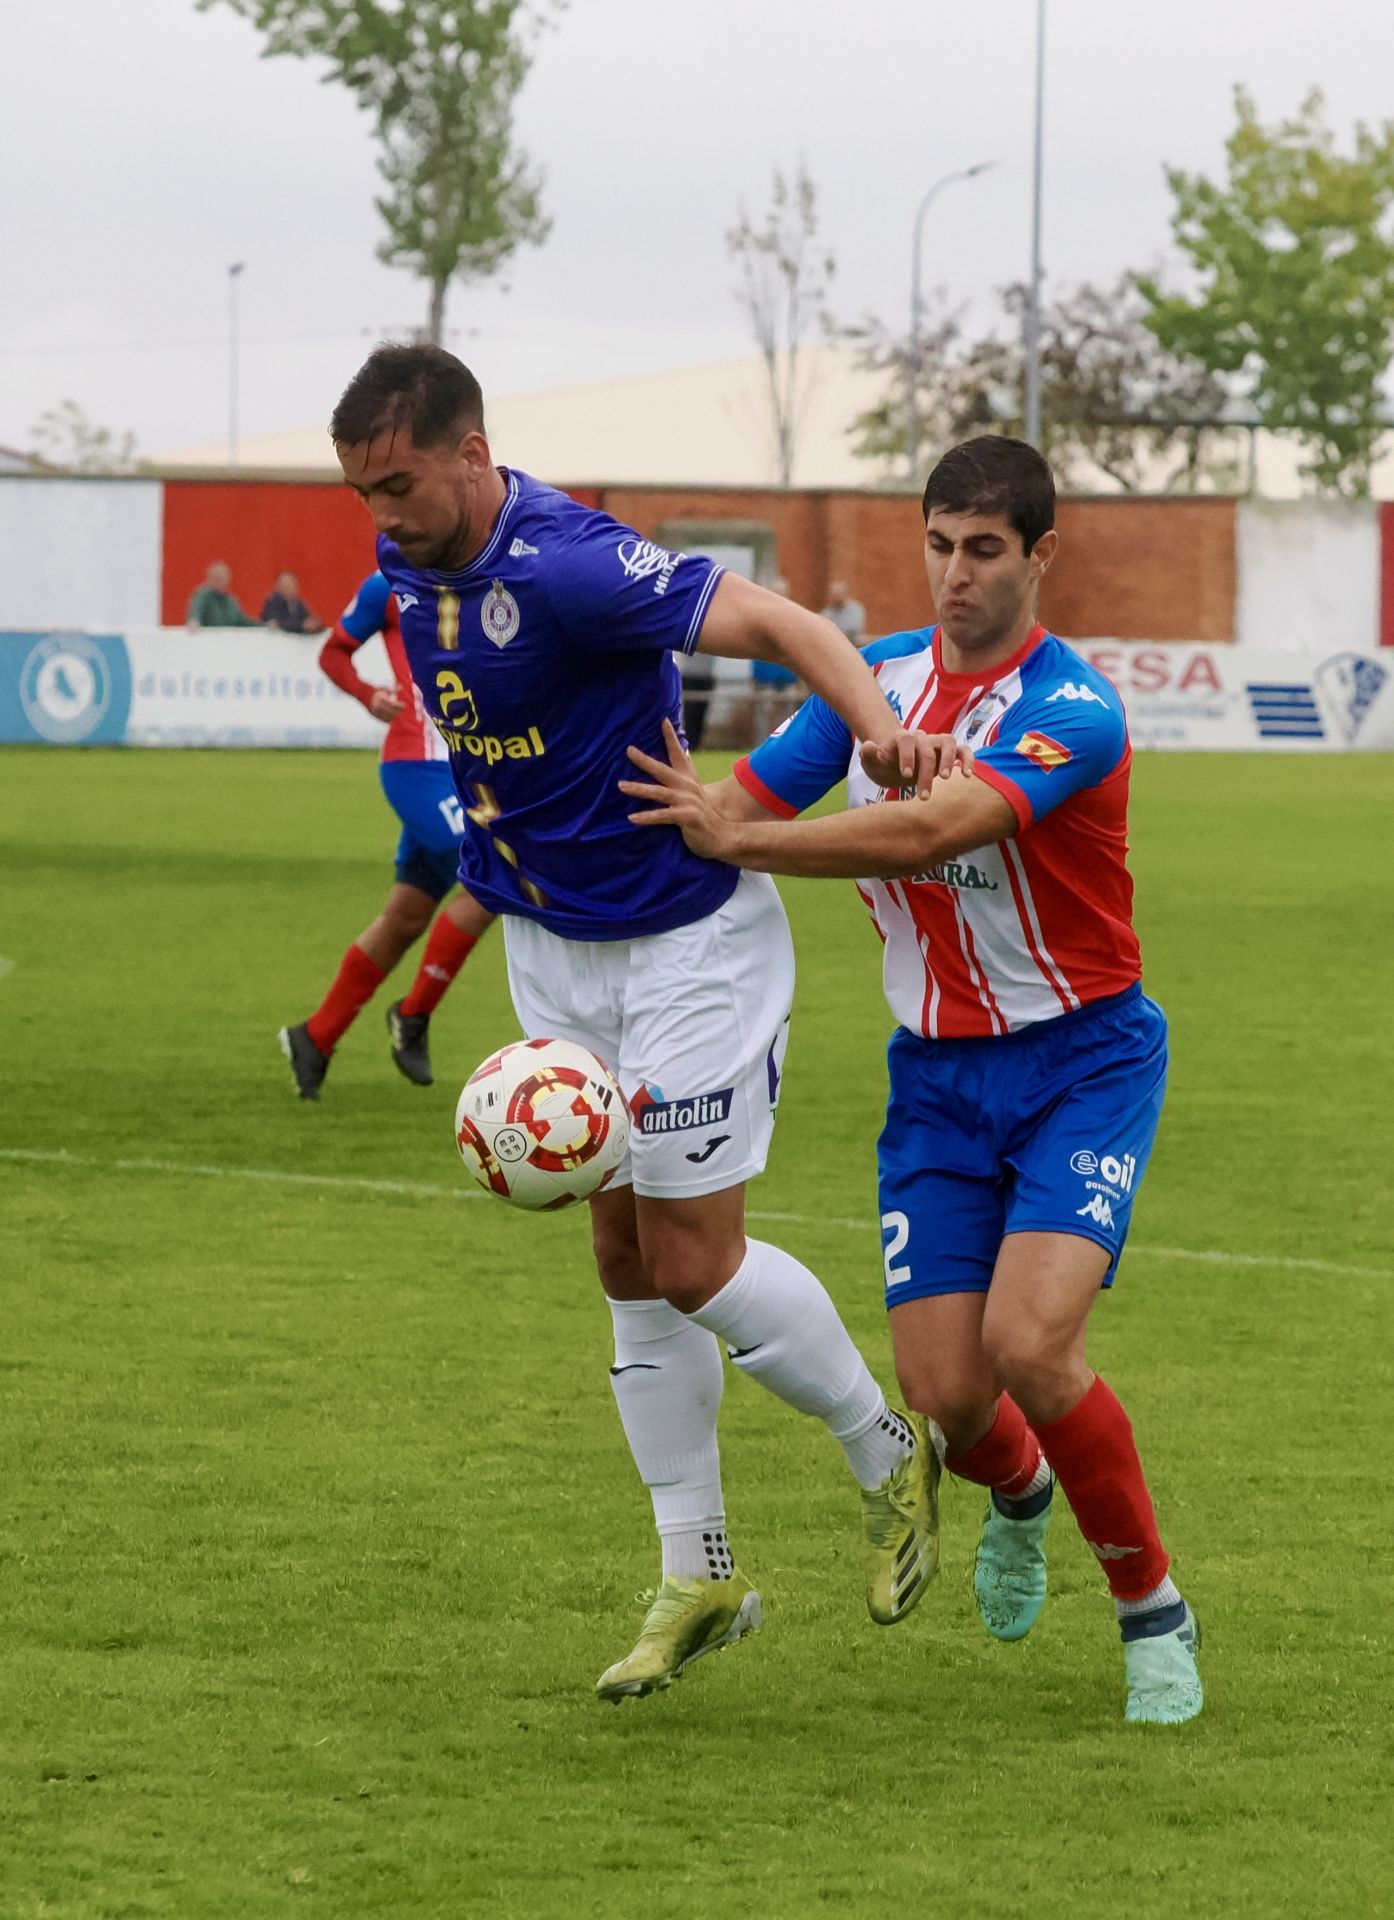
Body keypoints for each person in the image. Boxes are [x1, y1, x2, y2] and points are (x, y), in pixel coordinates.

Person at [329, 342, 966, 1702]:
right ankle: (700, 1571)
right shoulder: (409, 566)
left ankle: (885, 1450)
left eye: (397, 484)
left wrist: (881, 738)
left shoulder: (567, 562)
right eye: (360, 492)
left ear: (470, 450)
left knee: (690, 1261)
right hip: (556, 955)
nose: (380, 515)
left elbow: (797, 630)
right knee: (622, 1256)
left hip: (683, 948)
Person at [621, 435, 1202, 1727]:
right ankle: (1017, 1493)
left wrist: (753, 837)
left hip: (1080, 1061)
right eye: (937, 546)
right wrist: (650, 833)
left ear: (1039, 556)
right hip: (934, 1077)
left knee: (1029, 1346)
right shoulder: (871, 679)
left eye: (983, 550)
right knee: (945, 1395)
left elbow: (935, 826)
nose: (952, 575)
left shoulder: (1073, 711)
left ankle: (1149, 1606)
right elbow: (743, 799)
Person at [278, 568, 495, 1098]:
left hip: (474, 767)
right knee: (498, 874)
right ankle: (413, 1014)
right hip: (417, 766)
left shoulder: (493, 577)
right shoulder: (387, 585)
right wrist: (366, 694)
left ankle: (315, 1036)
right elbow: (333, 652)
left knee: (407, 916)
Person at [186, 561, 258, 629]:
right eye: (217, 578)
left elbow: (243, 622)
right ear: (209, 579)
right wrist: (194, 620)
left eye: (223, 579)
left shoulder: (231, 601)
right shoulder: (202, 595)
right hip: (208, 640)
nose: (221, 582)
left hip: (228, 639)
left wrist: (264, 625)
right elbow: (196, 609)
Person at [820, 579, 866, 644]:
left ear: (845, 594)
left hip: (850, 646)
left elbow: (852, 631)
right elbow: (820, 629)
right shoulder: (827, 612)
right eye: (834, 594)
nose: (836, 597)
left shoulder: (855, 609)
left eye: (838, 594)